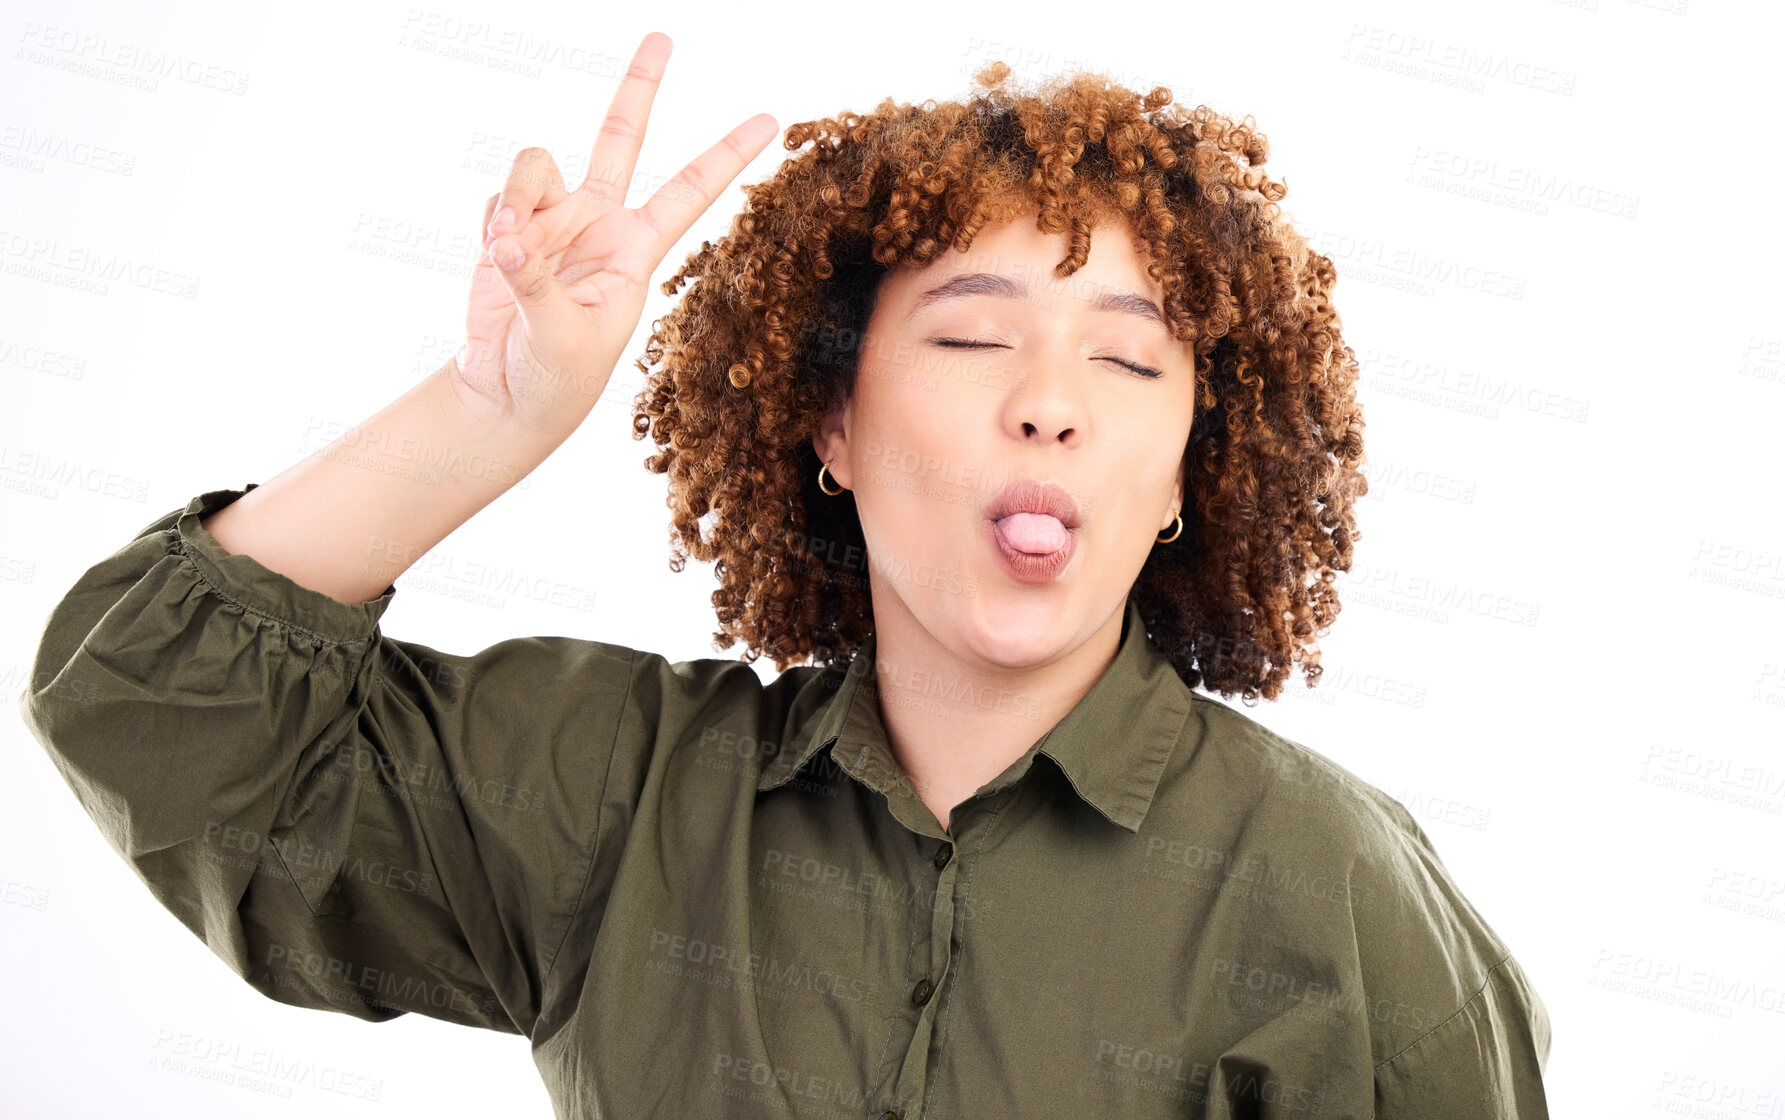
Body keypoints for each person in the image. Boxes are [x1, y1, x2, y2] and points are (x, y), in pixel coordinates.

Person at [19, 30, 1550, 1119]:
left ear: (1181, 477)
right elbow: (163, 718)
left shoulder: (1330, 886)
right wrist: (491, 415)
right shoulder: (622, 796)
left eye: (1128, 361)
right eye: (967, 335)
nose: (1051, 398)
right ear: (826, 424)